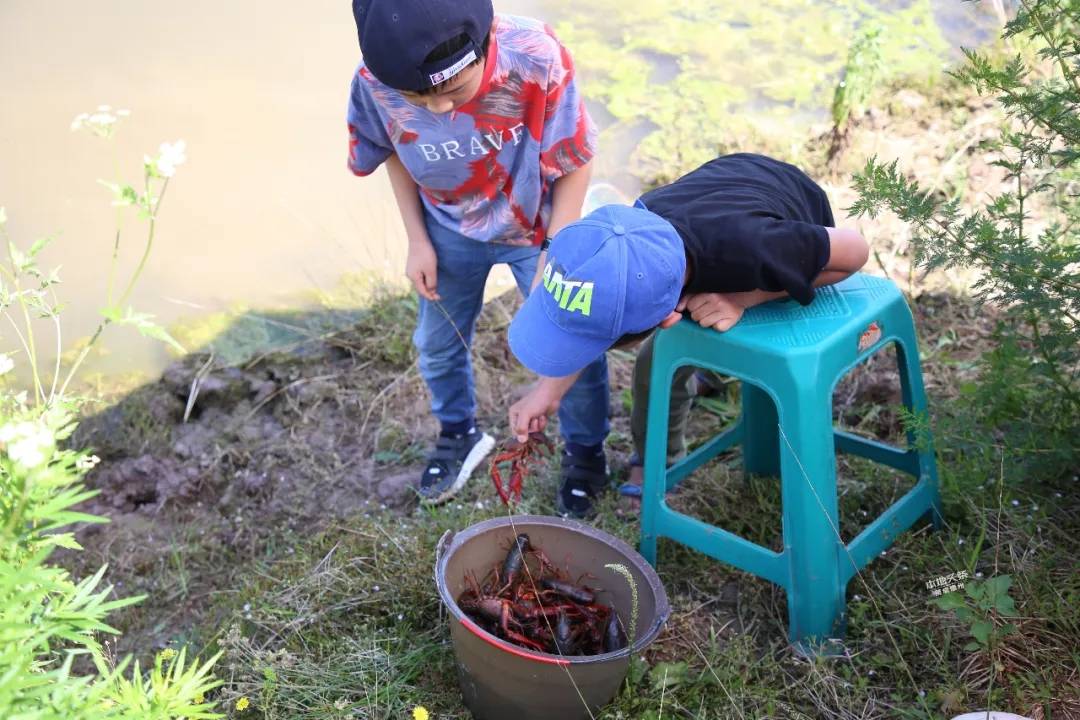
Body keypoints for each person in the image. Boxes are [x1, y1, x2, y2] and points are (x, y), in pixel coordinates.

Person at [347, 0, 610, 509]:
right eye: (417, 98)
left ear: (486, 43)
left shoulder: (535, 53)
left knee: (575, 336)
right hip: (448, 228)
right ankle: (457, 432)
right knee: (437, 342)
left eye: (454, 90)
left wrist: (557, 249)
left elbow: (576, 155)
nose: (438, 109)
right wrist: (417, 239)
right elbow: (388, 149)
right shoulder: (373, 80)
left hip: (537, 224)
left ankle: (585, 451)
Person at [506, 153, 870, 515]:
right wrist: (548, 392)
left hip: (790, 227)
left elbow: (855, 252)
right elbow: (589, 321)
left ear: (668, 317)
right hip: (723, 202)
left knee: (655, 361)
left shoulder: (757, 245)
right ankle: (708, 375)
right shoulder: (628, 238)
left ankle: (658, 461)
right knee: (684, 341)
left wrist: (747, 297)